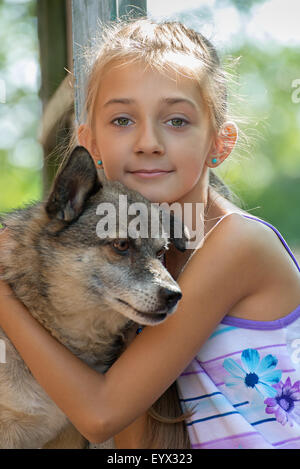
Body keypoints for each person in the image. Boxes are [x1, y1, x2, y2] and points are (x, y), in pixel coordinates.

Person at [1, 17, 300, 450]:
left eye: (176, 121)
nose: (148, 142)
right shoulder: (138, 258)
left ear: (220, 142)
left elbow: (100, 413)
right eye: (122, 120)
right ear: (91, 142)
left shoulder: (237, 244)